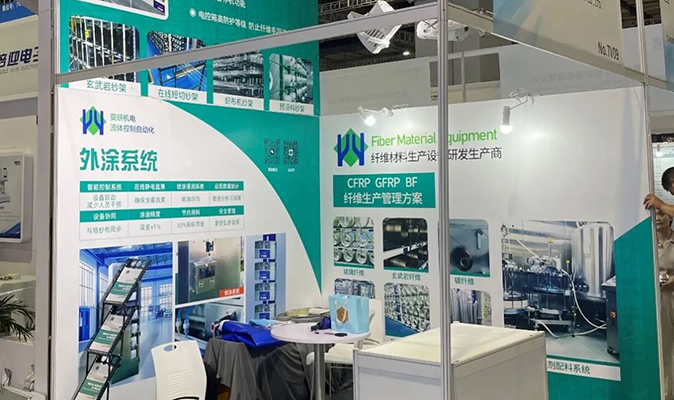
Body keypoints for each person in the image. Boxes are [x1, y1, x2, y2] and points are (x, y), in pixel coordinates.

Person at [657, 209, 674, 400]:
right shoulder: (649, 245)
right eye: (655, 215)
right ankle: (668, 394)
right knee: (665, 349)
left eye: (662, 214)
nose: (658, 218)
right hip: (662, 301)